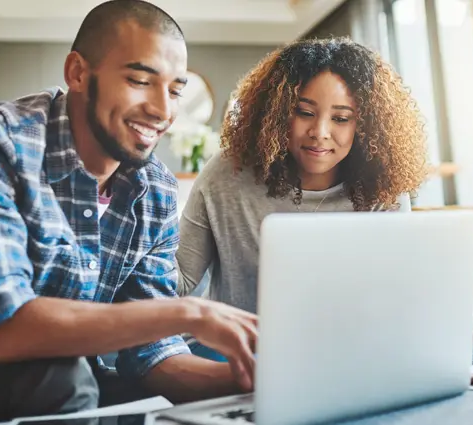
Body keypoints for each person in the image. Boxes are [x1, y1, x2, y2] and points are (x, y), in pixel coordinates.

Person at [0, 1, 257, 423]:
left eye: (175, 90)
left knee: (125, 384)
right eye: (140, 80)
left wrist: (250, 382)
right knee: (67, 378)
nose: (163, 111)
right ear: (77, 72)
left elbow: (152, 354)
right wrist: (188, 312)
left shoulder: (156, 190)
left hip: (64, 375)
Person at [175, 37, 428, 358]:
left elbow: (392, 295)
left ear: (364, 126)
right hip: (236, 351)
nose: (320, 131)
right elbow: (180, 279)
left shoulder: (382, 189)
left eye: (340, 118)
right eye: (305, 112)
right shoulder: (228, 173)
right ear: (278, 112)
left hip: (344, 348)